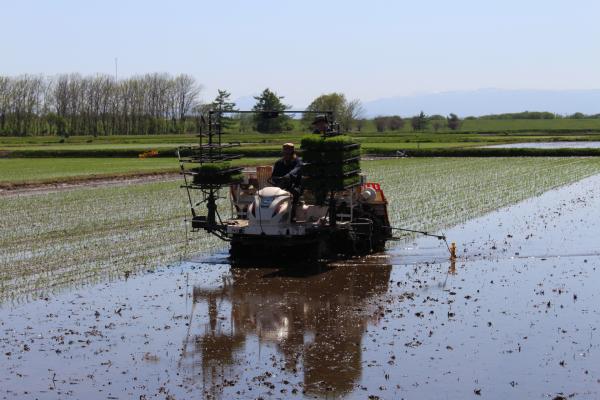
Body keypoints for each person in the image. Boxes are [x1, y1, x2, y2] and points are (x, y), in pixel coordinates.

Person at [271, 143, 303, 220]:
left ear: (293, 153)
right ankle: (272, 212)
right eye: (285, 153)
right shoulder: (279, 163)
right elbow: (274, 175)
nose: (287, 155)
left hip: (295, 185)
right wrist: (277, 179)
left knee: (294, 192)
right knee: (273, 193)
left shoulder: (298, 161)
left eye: (289, 153)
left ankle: (293, 213)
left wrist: (287, 176)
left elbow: (296, 170)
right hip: (281, 185)